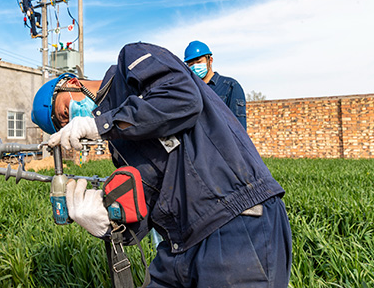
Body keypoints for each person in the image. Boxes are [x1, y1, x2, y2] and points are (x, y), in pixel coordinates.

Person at [31, 42, 292, 288]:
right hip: (180, 243)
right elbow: (148, 205)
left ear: (72, 83)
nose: (73, 121)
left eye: (65, 111)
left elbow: (183, 99)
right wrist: (108, 223)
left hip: (236, 221)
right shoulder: (119, 145)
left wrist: (100, 124)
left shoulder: (131, 61)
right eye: (64, 125)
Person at [184, 40, 247, 129]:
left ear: (210, 60)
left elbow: (239, 129)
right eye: (191, 64)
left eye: (199, 62)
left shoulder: (230, 86)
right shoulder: (189, 90)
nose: (195, 67)